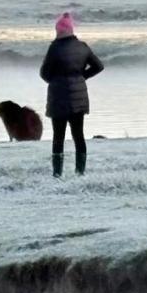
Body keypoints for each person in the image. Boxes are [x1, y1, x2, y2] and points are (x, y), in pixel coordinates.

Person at [40, 12, 104, 177]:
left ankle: (57, 173)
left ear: (59, 30)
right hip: (79, 98)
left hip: (58, 98)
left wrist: (55, 81)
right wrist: (83, 77)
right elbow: (98, 66)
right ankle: (80, 172)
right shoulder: (82, 47)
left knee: (58, 137)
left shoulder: (54, 48)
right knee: (79, 135)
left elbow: (44, 73)